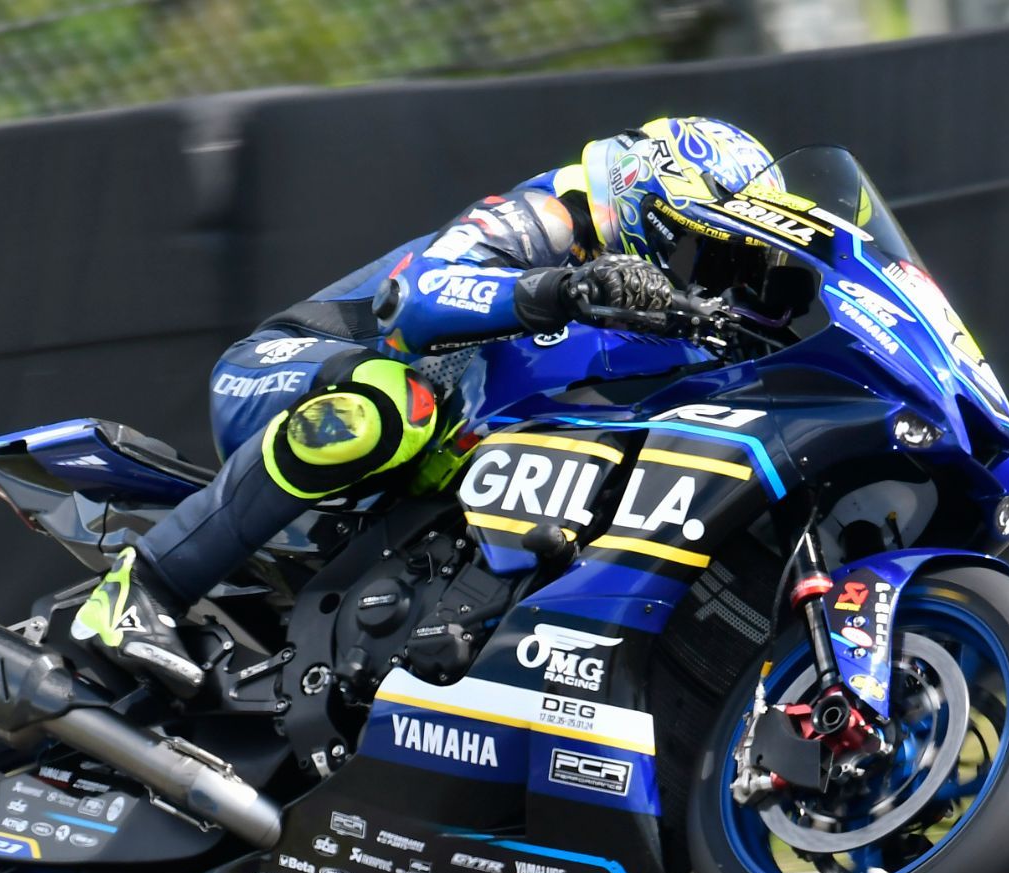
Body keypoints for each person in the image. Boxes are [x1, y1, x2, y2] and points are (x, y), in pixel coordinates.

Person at [71, 116, 776, 697]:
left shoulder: (676, 336)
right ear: (643, 199)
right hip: (288, 371)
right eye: (698, 251)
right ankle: (145, 585)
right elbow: (416, 298)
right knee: (393, 404)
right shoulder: (547, 217)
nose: (701, 284)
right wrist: (558, 288)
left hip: (426, 482)